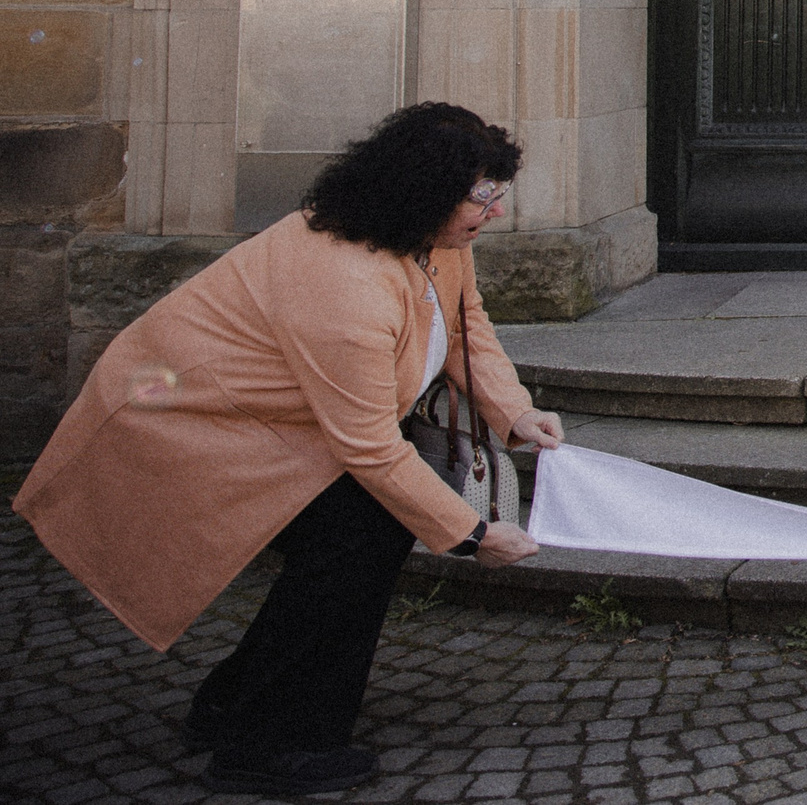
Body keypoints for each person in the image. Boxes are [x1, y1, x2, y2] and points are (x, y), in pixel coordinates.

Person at [14, 103, 563, 796]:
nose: (494, 212)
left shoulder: (432, 238)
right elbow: (370, 449)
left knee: (361, 532)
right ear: (421, 191)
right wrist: (475, 533)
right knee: (361, 528)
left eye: (497, 194)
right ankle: (268, 744)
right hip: (185, 424)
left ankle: (238, 706)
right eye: (481, 196)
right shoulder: (346, 283)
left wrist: (515, 413)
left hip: (274, 428)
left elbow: (462, 323)